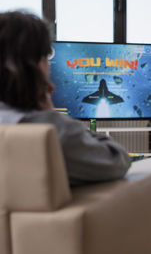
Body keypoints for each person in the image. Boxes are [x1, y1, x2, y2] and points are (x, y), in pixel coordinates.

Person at [0, 11, 131, 186]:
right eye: (46, 58)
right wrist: (53, 113)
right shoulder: (51, 130)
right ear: (36, 66)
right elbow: (117, 160)